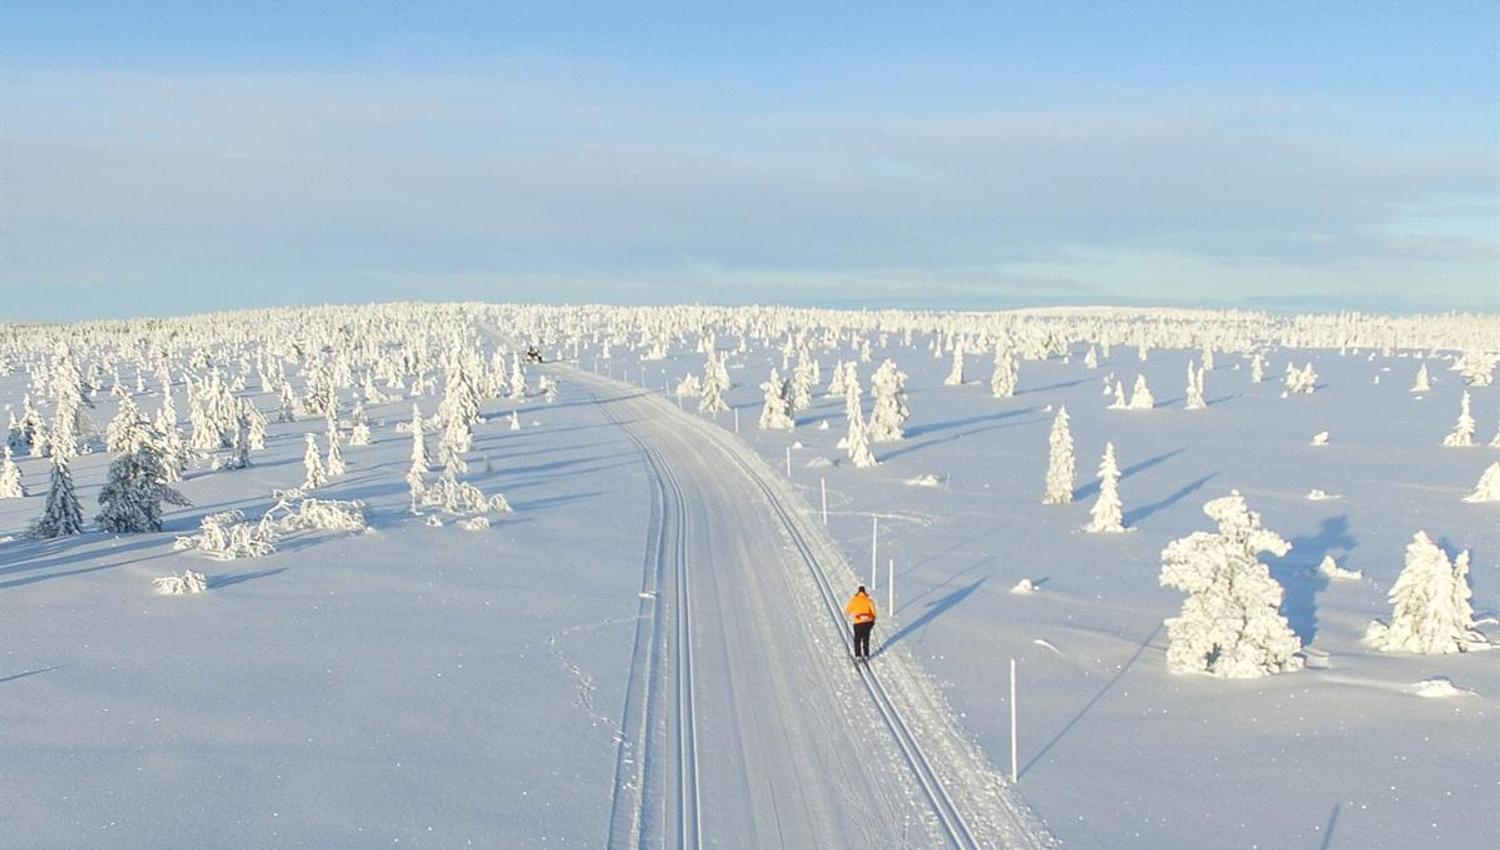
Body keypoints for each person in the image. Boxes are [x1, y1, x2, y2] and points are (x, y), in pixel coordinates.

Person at [845, 585, 878, 661]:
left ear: (858, 591)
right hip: (868, 622)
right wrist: (873, 619)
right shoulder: (869, 600)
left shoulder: (854, 600)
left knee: (857, 639)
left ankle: (858, 655)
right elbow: (874, 612)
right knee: (866, 638)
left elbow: (847, 610)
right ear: (864, 592)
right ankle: (866, 654)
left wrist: (847, 615)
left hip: (858, 622)